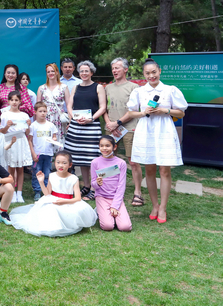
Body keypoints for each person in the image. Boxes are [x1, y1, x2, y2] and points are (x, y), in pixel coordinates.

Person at [126, 58, 187, 223]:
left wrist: (165, 110)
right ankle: (154, 205)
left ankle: (163, 208)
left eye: (154, 72)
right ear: (144, 74)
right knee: (149, 170)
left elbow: (181, 113)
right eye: (147, 73)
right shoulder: (139, 92)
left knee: (165, 170)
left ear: (159, 71)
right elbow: (131, 112)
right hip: (146, 131)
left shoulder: (170, 90)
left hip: (164, 130)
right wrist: (143, 112)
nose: (151, 76)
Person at [10, 151, 97, 237]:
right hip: (53, 199)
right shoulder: (52, 175)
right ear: (54, 163)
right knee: (51, 210)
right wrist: (41, 182)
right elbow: (47, 193)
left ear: (70, 165)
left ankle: (66, 225)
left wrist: (64, 201)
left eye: (64, 163)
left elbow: (78, 198)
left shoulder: (73, 178)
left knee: (75, 211)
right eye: (58, 162)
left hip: (68, 201)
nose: (60, 165)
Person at [103, 57, 143, 207]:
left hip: (129, 128)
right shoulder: (107, 88)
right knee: (108, 158)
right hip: (111, 128)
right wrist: (109, 123)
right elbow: (104, 108)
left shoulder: (134, 87)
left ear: (125, 69)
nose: (114, 71)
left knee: (133, 161)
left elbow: (134, 110)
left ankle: (138, 192)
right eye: (113, 68)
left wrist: (118, 123)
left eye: (117, 68)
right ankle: (109, 189)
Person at [64, 60, 106, 201]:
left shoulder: (98, 87)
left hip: (91, 127)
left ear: (91, 72)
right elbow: (69, 106)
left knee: (92, 159)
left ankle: (94, 188)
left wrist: (91, 119)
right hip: (76, 126)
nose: (83, 73)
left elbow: (103, 107)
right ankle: (86, 186)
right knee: (80, 158)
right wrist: (73, 117)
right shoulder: (75, 87)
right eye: (81, 71)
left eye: (86, 71)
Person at [91, 136, 132, 232]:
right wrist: (97, 183)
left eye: (107, 146)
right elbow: (93, 184)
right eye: (101, 146)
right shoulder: (95, 162)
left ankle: (111, 213)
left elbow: (121, 185)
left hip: (116, 197)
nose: (104, 148)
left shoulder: (121, 163)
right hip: (102, 197)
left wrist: (115, 205)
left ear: (114, 147)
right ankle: (102, 211)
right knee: (108, 226)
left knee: (125, 227)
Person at [0, 91, 33, 203]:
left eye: (16, 100)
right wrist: (7, 126)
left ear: (20, 101)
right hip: (10, 141)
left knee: (20, 168)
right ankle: (12, 192)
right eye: (12, 100)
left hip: (21, 141)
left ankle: (20, 193)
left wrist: (28, 125)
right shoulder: (5, 114)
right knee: (11, 167)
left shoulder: (24, 115)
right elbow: (2, 131)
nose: (14, 102)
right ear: (8, 101)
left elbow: (27, 132)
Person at [28, 102, 58, 202]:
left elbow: (54, 136)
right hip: (37, 154)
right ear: (35, 112)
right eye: (40, 111)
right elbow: (30, 140)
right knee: (37, 172)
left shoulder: (51, 125)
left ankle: (46, 191)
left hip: (48, 153)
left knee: (47, 172)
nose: (43, 113)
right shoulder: (33, 126)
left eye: (44, 111)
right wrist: (33, 153)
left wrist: (54, 139)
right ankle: (37, 191)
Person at [37, 63, 71, 146]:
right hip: (45, 117)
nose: (50, 73)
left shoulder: (63, 87)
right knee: (45, 140)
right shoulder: (42, 88)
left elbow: (69, 105)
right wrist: (37, 121)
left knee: (59, 140)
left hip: (59, 118)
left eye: (52, 71)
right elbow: (37, 107)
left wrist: (70, 120)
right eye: (48, 72)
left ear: (57, 72)